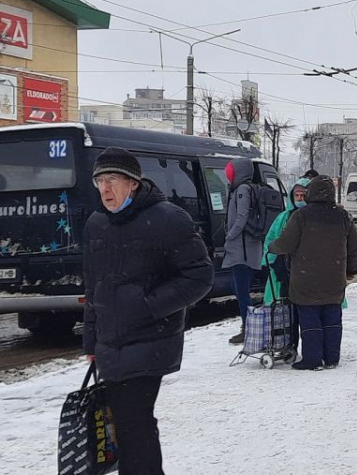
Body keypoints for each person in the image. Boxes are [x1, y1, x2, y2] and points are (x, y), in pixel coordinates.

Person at [83, 147, 213, 475]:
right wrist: (90, 341)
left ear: (134, 184)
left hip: (150, 340)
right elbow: (93, 286)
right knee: (128, 425)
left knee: (133, 423)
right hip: (111, 343)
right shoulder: (96, 223)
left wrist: (148, 306)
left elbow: (199, 275)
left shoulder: (167, 219)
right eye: (100, 181)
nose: (105, 189)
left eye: (112, 180)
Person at [269, 175, 357, 370]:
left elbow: (286, 243)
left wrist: (272, 246)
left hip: (305, 277)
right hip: (335, 276)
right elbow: (354, 246)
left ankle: (313, 359)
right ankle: (332, 358)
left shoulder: (301, 216)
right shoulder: (342, 216)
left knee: (310, 318)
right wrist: (351, 269)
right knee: (332, 318)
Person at [262, 178, 311, 350]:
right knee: (288, 312)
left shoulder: (313, 216)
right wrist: (268, 261)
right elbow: (271, 239)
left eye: (303, 195)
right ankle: (289, 345)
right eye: (296, 195)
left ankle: (306, 347)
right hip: (285, 272)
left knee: (305, 313)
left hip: (306, 273)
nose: (299, 198)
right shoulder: (283, 217)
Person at [223, 158, 264, 345]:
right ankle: (249, 324)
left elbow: (241, 218)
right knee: (238, 288)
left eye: (231, 172)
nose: (228, 175)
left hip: (243, 250)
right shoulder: (239, 189)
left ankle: (249, 327)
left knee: (241, 289)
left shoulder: (242, 190)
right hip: (242, 248)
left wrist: (229, 236)